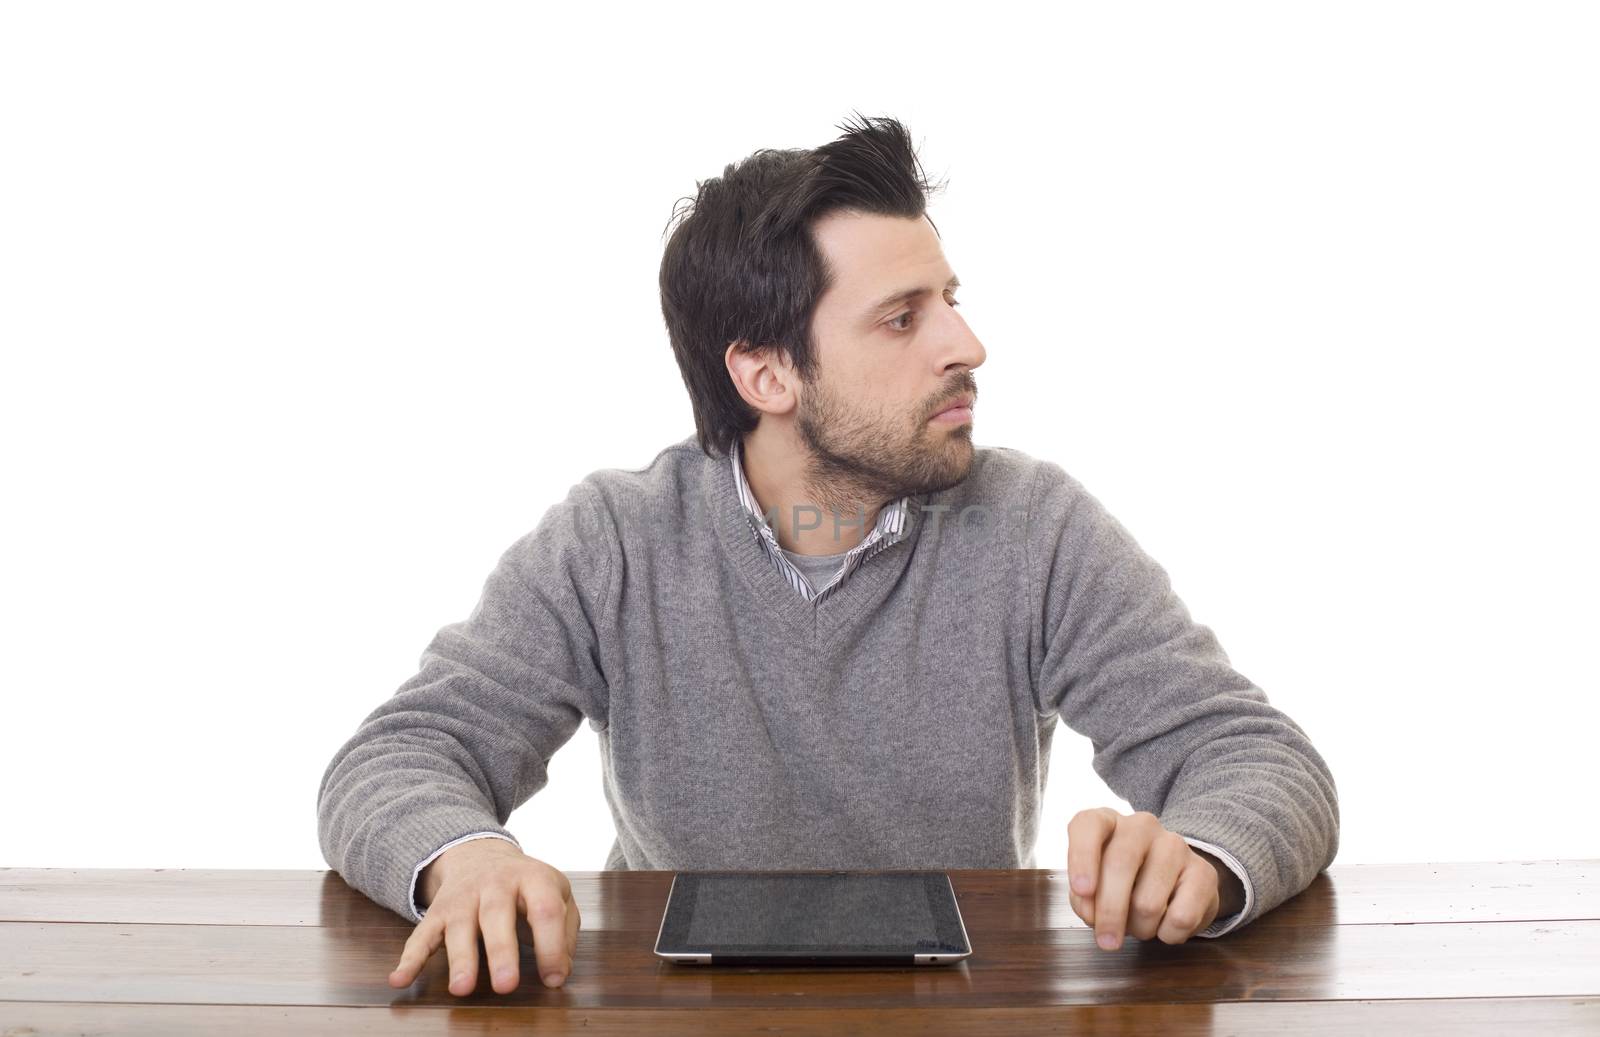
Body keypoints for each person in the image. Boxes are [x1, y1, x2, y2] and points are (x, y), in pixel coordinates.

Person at [316, 111, 1339, 998]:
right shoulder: (616, 539)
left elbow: (1256, 759)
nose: (965, 343)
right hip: (676, 1012)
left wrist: (1198, 855)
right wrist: (467, 856)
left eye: (949, 297)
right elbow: (399, 755)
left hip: (960, 1012)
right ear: (766, 375)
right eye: (903, 317)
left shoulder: (1035, 529)